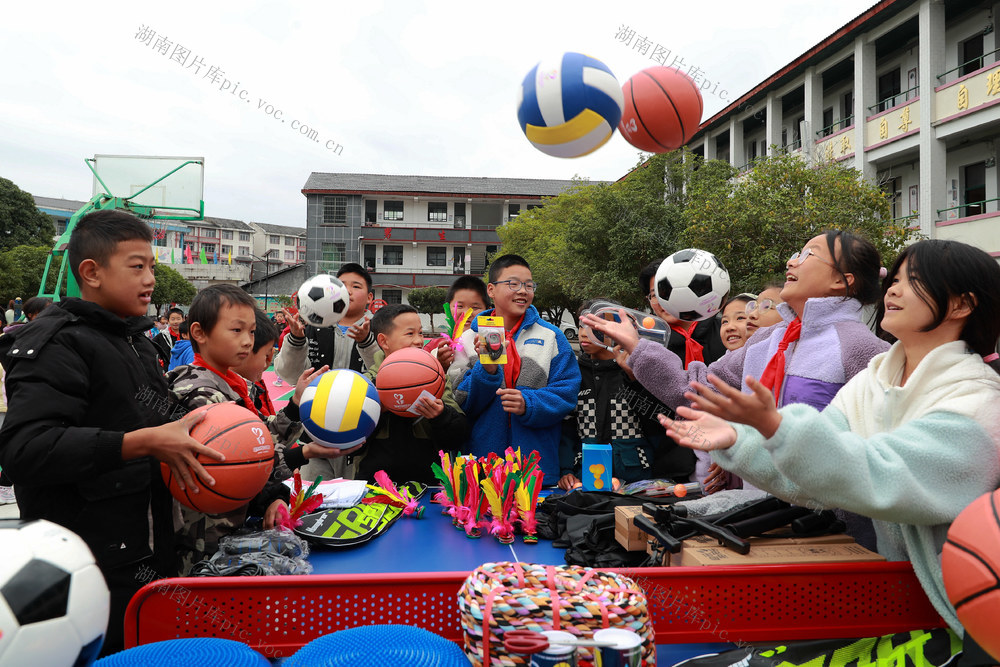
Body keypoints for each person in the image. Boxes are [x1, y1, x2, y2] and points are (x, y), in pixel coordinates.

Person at [663, 239, 1000, 659]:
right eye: (893, 279)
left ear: (962, 305)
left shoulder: (979, 401)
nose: (892, 289)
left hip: (956, 624)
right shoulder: (875, 379)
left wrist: (774, 426)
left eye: (912, 280)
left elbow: (880, 473)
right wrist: (737, 441)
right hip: (887, 598)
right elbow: (810, 478)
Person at [0, 209, 221, 656]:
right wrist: (140, 444)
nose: (151, 279)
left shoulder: (133, 339)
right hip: (86, 568)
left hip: (147, 549)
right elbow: (24, 449)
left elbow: (163, 415)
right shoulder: (57, 344)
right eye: (137, 266)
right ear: (91, 272)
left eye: (152, 268)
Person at [584, 231, 887, 549]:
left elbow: (869, 458)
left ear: (842, 280)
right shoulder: (765, 341)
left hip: (833, 533)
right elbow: (698, 392)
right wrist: (637, 345)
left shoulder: (862, 348)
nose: (791, 260)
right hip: (763, 521)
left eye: (808, 254)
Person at [165, 285, 291, 574]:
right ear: (199, 333)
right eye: (236, 331)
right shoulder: (199, 393)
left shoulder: (231, 384)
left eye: (251, 331)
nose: (248, 341)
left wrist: (274, 495)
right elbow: (241, 458)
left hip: (226, 526)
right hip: (202, 537)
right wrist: (273, 490)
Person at [455, 255, 580, 483]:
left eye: (529, 285)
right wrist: (488, 371)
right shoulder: (467, 339)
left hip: (536, 468)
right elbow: (461, 401)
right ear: (491, 290)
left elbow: (567, 394)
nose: (523, 291)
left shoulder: (552, 336)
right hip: (483, 469)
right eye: (513, 284)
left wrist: (528, 403)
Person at [274, 263, 379, 481]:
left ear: (369, 297)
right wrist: (296, 339)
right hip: (314, 432)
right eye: (343, 285)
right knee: (315, 500)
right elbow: (290, 375)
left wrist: (367, 342)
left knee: (357, 501)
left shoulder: (379, 330)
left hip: (363, 433)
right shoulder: (312, 328)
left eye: (356, 286)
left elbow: (386, 373)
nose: (348, 290)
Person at [231, 309, 359, 481]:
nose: (268, 362)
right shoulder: (220, 395)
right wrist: (303, 453)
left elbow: (265, 434)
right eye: (267, 353)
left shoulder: (249, 388)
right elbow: (246, 458)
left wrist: (296, 402)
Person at [558, 301, 666, 490]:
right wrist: (566, 469)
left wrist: (632, 378)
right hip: (584, 477)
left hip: (636, 477)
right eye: (582, 325)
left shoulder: (637, 369)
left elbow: (657, 423)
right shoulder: (573, 373)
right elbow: (566, 428)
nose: (584, 332)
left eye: (594, 325)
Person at [355, 304, 468, 484]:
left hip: (428, 487)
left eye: (421, 333)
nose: (418, 340)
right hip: (374, 486)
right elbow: (352, 444)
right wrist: (377, 411)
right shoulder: (366, 383)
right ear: (384, 341)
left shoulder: (435, 377)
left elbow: (458, 436)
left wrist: (441, 416)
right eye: (410, 334)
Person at [440, 275, 490, 384]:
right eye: (460, 306)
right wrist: (441, 365)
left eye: (475, 308)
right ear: (448, 308)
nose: (466, 313)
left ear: (488, 311)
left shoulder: (492, 343)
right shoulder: (440, 349)